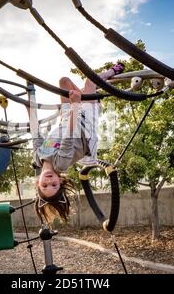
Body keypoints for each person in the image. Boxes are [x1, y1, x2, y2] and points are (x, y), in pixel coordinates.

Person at [29, 63, 125, 224]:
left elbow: (35, 133)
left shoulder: (38, 157)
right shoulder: (61, 163)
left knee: (64, 82)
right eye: (54, 185)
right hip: (85, 124)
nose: (49, 182)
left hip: (68, 117)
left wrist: (30, 108)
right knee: (90, 81)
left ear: (38, 184)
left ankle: (89, 95)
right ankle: (112, 72)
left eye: (45, 186)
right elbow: (70, 135)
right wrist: (75, 104)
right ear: (60, 181)